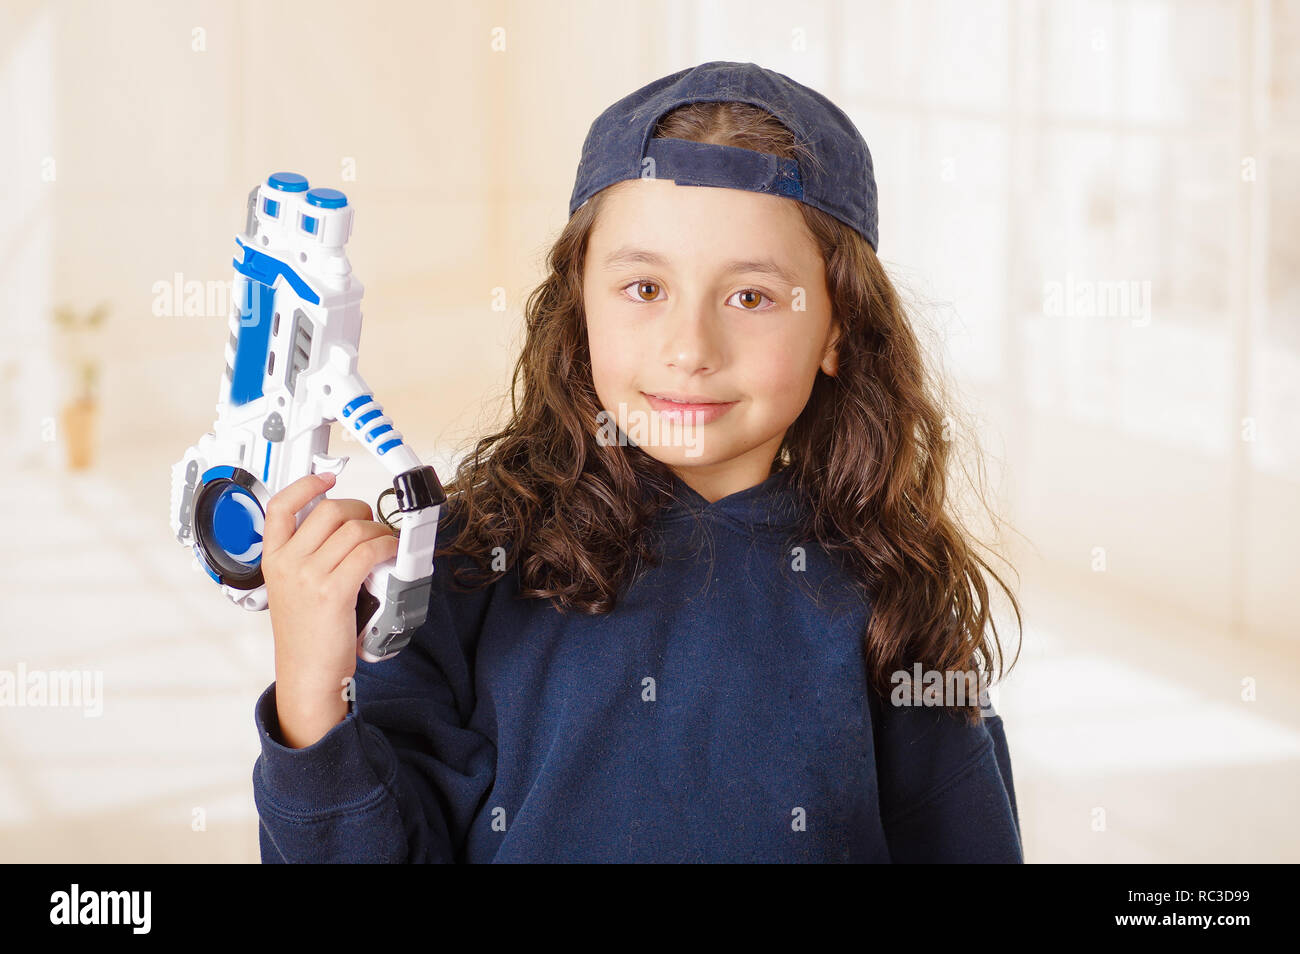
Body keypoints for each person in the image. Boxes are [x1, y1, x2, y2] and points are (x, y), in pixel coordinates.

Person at [251, 60, 1025, 863]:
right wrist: (311, 688)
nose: (690, 350)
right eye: (645, 289)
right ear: (578, 306)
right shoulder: (459, 570)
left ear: (838, 328)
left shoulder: (893, 597)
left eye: (751, 297)